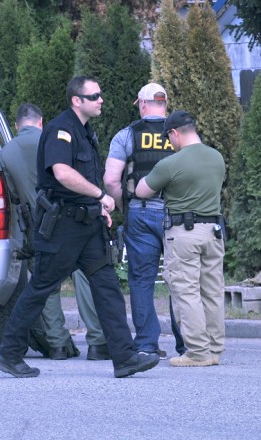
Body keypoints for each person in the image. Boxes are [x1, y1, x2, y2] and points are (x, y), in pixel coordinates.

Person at [0, 75, 160, 378]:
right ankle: (9, 353)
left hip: (87, 224)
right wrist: (101, 196)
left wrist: (98, 208)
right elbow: (63, 174)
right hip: (63, 227)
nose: (101, 100)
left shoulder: (84, 131)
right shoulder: (60, 130)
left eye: (100, 95)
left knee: (107, 286)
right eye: (94, 96)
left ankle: (124, 357)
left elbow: (85, 178)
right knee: (40, 287)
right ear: (76, 101)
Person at [0, 103, 109, 361]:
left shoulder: (6, 151)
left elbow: (12, 195)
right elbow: (79, 176)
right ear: (41, 122)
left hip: (39, 224)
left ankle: (58, 344)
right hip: (75, 218)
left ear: (17, 125)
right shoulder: (55, 139)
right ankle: (96, 341)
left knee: (45, 283)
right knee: (87, 275)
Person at [136, 110, 226, 367]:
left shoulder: (171, 163)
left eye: (168, 138)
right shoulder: (216, 157)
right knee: (212, 291)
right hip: (214, 232)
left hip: (184, 233)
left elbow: (143, 190)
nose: (169, 143)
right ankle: (214, 348)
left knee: (186, 291)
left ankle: (197, 351)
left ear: (174, 133)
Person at [104, 82, 186, 357]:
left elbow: (111, 180)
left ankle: (147, 344)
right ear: (164, 104)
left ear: (142, 103)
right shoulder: (180, 134)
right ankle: (186, 343)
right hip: (175, 211)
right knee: (180, 278)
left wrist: (125, 206)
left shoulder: (127, 135)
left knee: (141, 279)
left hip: (140, 210)